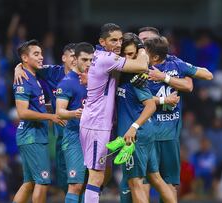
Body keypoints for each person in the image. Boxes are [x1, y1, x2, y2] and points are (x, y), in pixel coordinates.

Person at [79, 23, 149, 202]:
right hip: (96, 124)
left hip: (101, 124)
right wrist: (140, 46)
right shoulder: (106, 58)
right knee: (96, 176)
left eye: (120, 40)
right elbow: (141, 66)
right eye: (113, 40)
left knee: (104, 173)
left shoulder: (102, 56)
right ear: (102, 42)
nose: (118, 44)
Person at [143, 36, 213, 202]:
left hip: (169, 136)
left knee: (170, 184)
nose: (141, 54)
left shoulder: (175, 64)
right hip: (148, 134)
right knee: (144, 182)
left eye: (144, 51)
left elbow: (207, 75)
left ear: (154, 57)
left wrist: (164, 78)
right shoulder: (140, 69)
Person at [116, 33, 176, 203]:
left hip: (134, 136)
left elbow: (150, 105)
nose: (128, 58)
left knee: (135, 183)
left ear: (137, 53)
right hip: (145, 133)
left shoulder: (135, 77)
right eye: (124, 54)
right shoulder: (123, 75)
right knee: (156, 178)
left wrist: (133, 127)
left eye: (131, 54)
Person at [14, 43, 76, 193]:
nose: (41, 57)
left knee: (31, 183)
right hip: (49, 136)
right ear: (64, 58)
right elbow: (22, 112)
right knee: (57, 183)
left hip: (79, 137)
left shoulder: (87, 76)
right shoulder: (49, 73)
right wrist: (18, 67)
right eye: (72, 56)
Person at [55, 42, 94, 202]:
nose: (88, 64)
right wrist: (73, 113)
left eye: (91, 60)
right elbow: (59, 112)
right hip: (74, 138)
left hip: (93, 138)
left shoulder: (95, 80)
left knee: (91, 184)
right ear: (75, 59)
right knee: (75, 185)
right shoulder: (67, 82)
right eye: (84, 60)